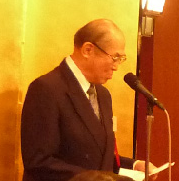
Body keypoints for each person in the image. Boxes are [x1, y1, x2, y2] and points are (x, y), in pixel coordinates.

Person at [20, 19, 156, 181]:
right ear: (88, 50)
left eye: (121, 59)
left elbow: (99, 157)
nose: (116, 66)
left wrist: (134, 165)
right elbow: (38, 162)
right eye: (115, 57)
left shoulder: (103, 95)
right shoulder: (47, 89)